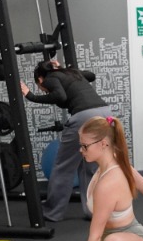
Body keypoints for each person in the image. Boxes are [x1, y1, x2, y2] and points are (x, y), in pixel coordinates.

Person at [21, 59, 112, 222]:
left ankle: (52, 212)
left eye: (40, 86)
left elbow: (59, 96)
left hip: (85, 116)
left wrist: (30, 95)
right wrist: (64, 69)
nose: (43, 89)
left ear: (40, 79)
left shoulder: (49, 79)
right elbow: (91, 75)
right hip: (105, 113)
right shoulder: (71, 74)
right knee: (89, 166)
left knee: (63, 166)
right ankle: (93, 210)